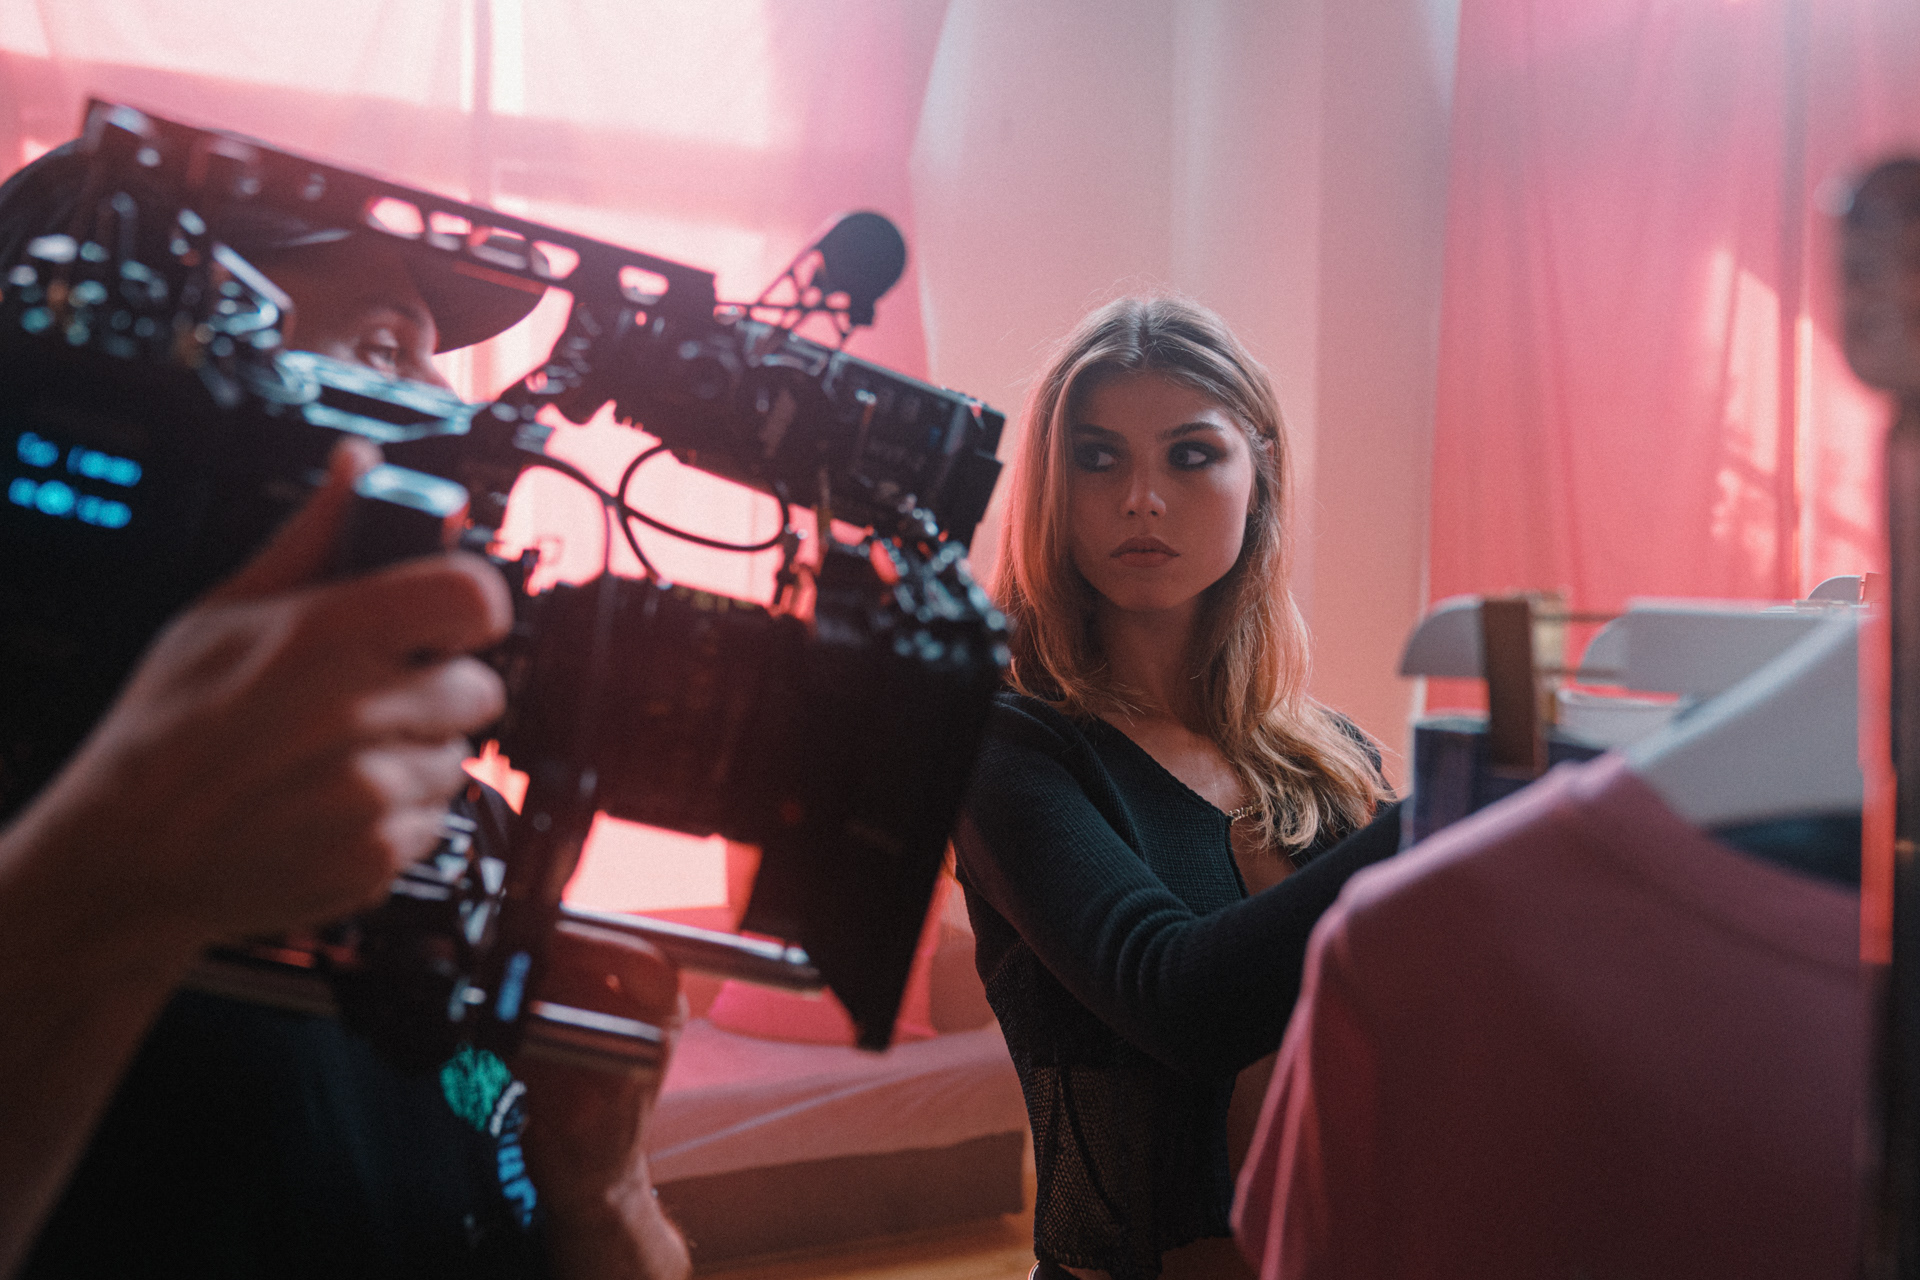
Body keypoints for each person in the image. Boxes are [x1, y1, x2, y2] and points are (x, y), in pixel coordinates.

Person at [0, 143, 689, 1280]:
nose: (460, 421)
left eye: (437, 364)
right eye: (380, 350)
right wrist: (115, 886)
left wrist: (605, 1195)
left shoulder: (457, 830)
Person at [952, 296, 1404, 1280]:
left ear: (1259, 474)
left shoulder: (1338, 761)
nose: (1142, 499)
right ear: (1052, 485)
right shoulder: (1008, 747)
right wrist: (1461, 805)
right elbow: (1180, 998)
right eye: (1097, 458)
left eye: (1190, 455)